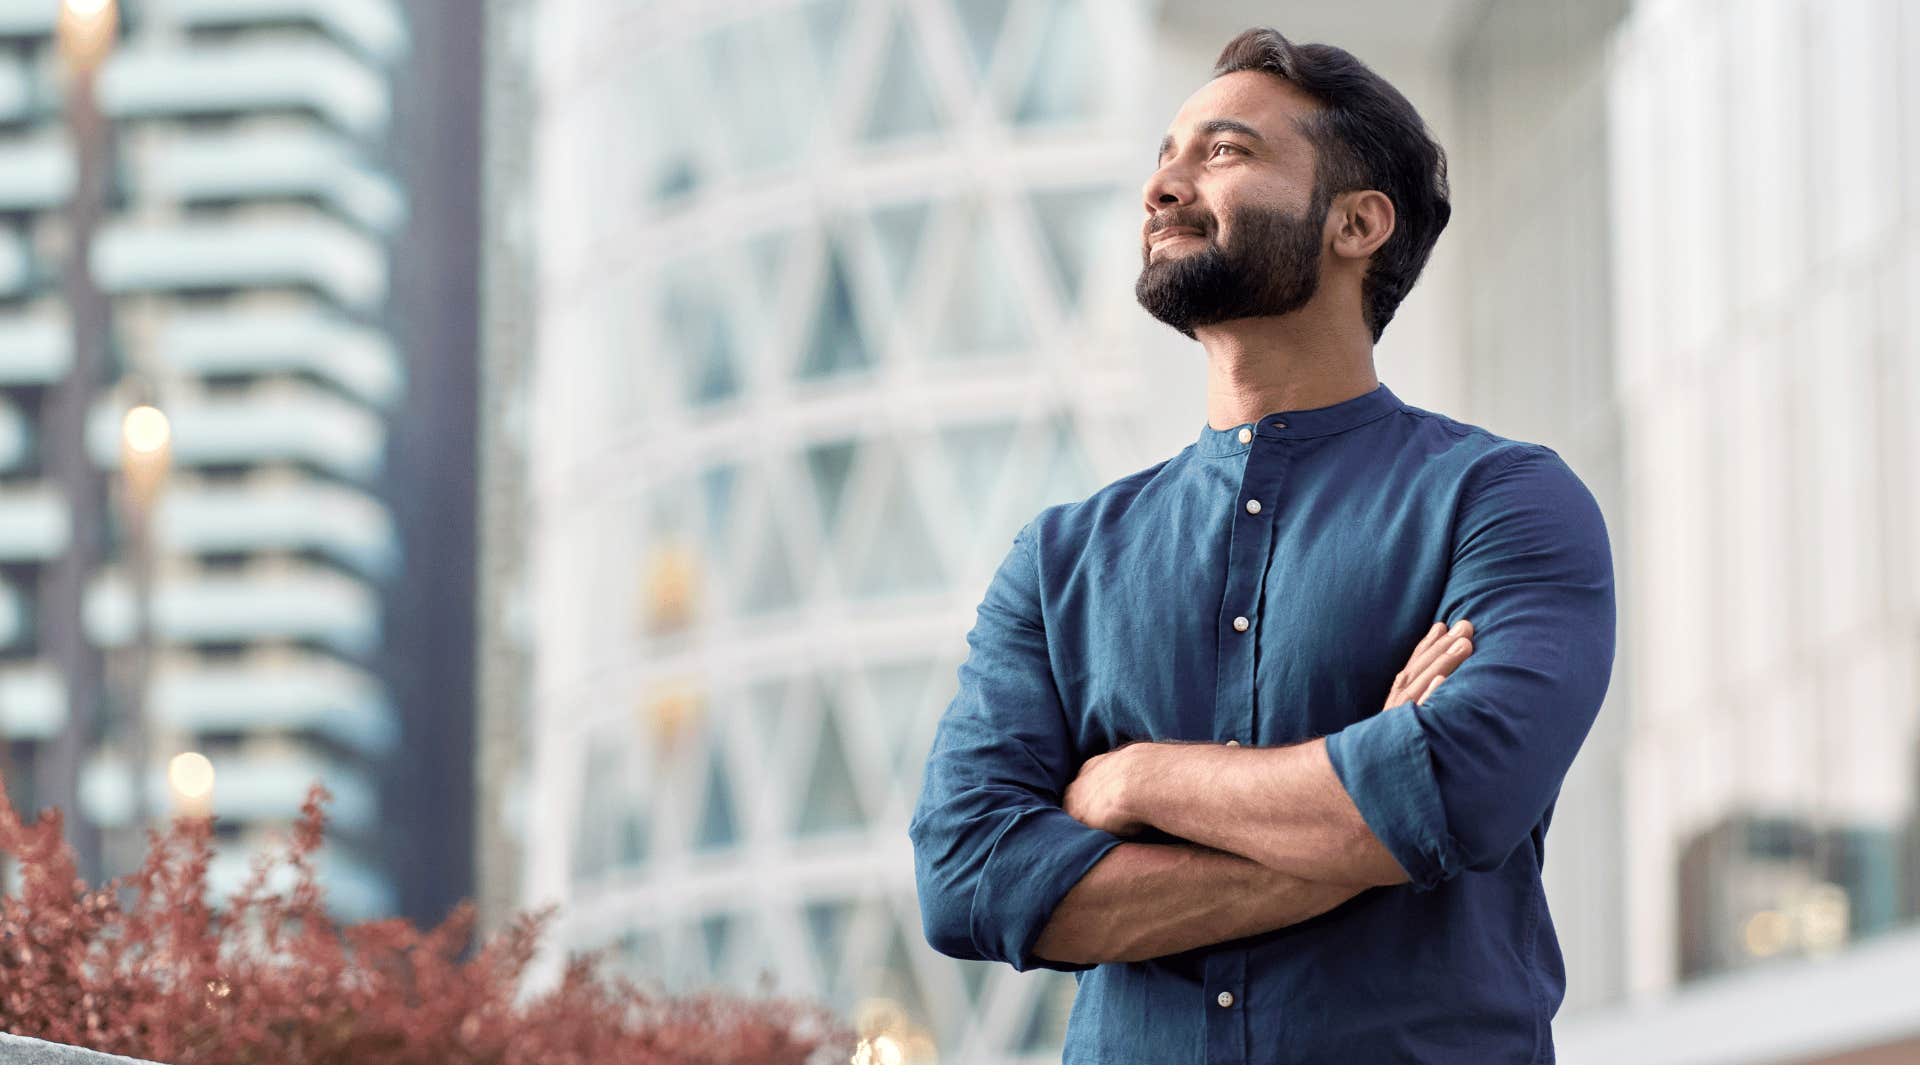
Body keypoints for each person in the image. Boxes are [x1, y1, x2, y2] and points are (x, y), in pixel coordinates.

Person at [906, 25, 1617, 1065]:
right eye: (1164, 156)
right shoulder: (1059, 562)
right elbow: (969, 880)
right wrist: (1361, 812)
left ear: (1357, 223)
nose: (1164, 187)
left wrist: (1137, 781)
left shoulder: (1502, 502)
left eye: (1224, 153)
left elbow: (1463, 787)